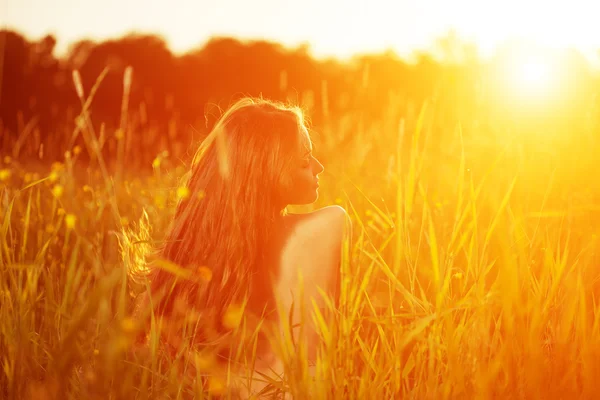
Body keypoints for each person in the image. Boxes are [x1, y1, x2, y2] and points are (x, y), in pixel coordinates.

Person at [132, 97, 351, 398]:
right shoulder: (326, 227)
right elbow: (312, 363)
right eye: (305, 159)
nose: (319, 167)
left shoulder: (196, 250)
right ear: (268, 170)